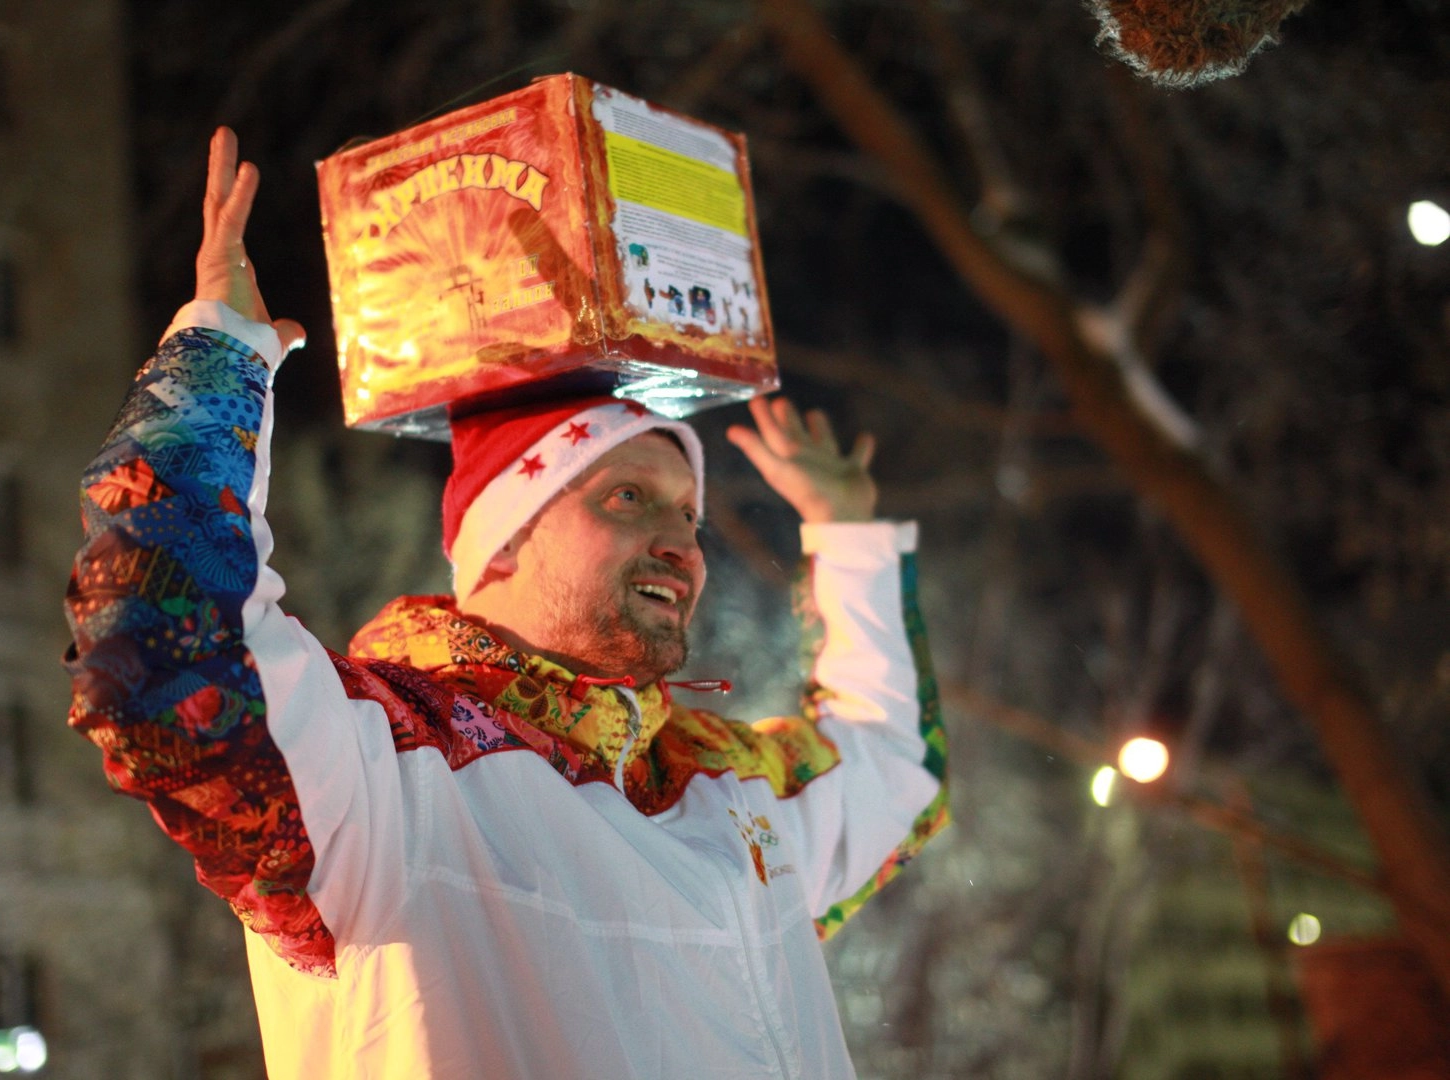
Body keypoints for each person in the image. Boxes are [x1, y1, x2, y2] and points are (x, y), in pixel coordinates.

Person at [65, 127, 948, 1079]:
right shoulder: (386, 771)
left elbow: (898, 773)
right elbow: (158, 648)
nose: (682, 544)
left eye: (689, 513)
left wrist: (850, 537)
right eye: (627, 497)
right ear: (503, 541)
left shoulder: (725, 785)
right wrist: (220, 358)